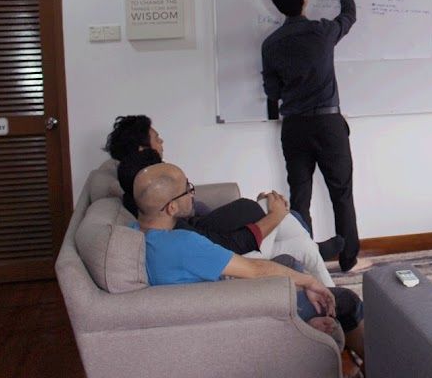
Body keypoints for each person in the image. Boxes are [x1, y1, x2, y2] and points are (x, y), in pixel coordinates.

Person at [132, 162, 365, 362]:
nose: (193, 193)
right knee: (347, 301)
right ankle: (369, 366)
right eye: (187, 189)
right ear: (171, 207)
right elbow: (254, 270)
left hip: (215, 300)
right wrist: (309, 281)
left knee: (286, 260)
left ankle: (326, 345)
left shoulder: (136, 232)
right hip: (243, 312)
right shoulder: (181, 244)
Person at [105, 115, 340, 285]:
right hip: (233, 260)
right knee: (284, 216)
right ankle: (317, 261)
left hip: (223, 251)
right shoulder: (175, 236)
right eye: (157, 138)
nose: (162, 143)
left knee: (300, 242)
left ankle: (326, 283)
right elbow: (230, 251)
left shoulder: (146, 211)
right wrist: (274, 215)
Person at [263, 0, 362, 272]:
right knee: (341, 193)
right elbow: (349, 15)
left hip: (294, 127)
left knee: (300, 195)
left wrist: (275, 113)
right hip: (329, 124)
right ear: (305, 0)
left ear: (277, 5)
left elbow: (271, 91)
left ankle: (303, 259)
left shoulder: (270, 44)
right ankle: (348, 258)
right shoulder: (322, 31)